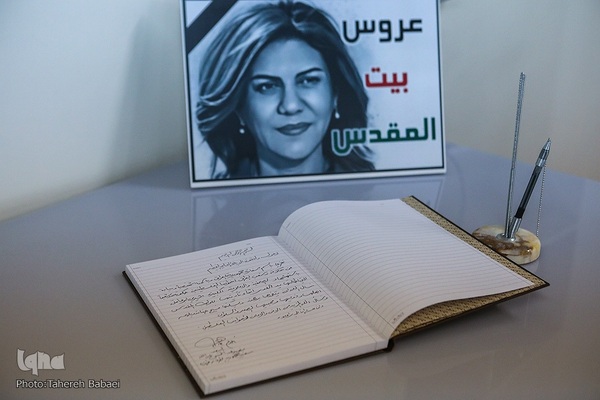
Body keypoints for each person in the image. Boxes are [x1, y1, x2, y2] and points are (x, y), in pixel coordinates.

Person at [195, 0, 374, 179]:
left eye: (308, 80)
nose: (290, 106)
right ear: (239, 107)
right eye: (267, 87)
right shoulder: (215, 194)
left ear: (335, 93)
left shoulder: (372, 188)